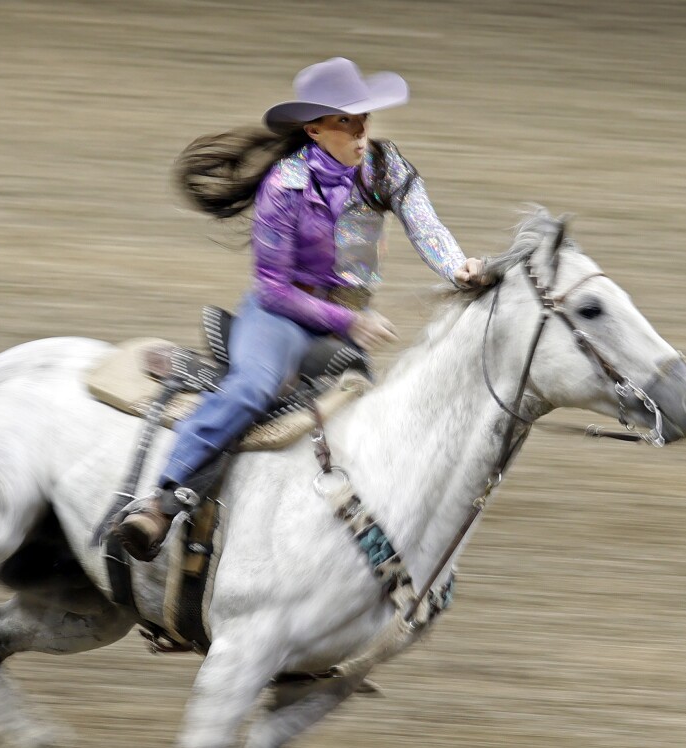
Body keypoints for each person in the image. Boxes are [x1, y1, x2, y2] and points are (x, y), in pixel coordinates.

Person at [115, 57, 485, 561]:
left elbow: (426, 225)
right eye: (344, 123)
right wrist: (348, 320)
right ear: (314, 129)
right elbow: (272, 289)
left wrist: (458, 267)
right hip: (282, 319)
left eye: (363, 120)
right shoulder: (283, 187)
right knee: (255, 388)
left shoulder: (385, 167)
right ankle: (161, 499)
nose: (359, 133)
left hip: (345, 327)